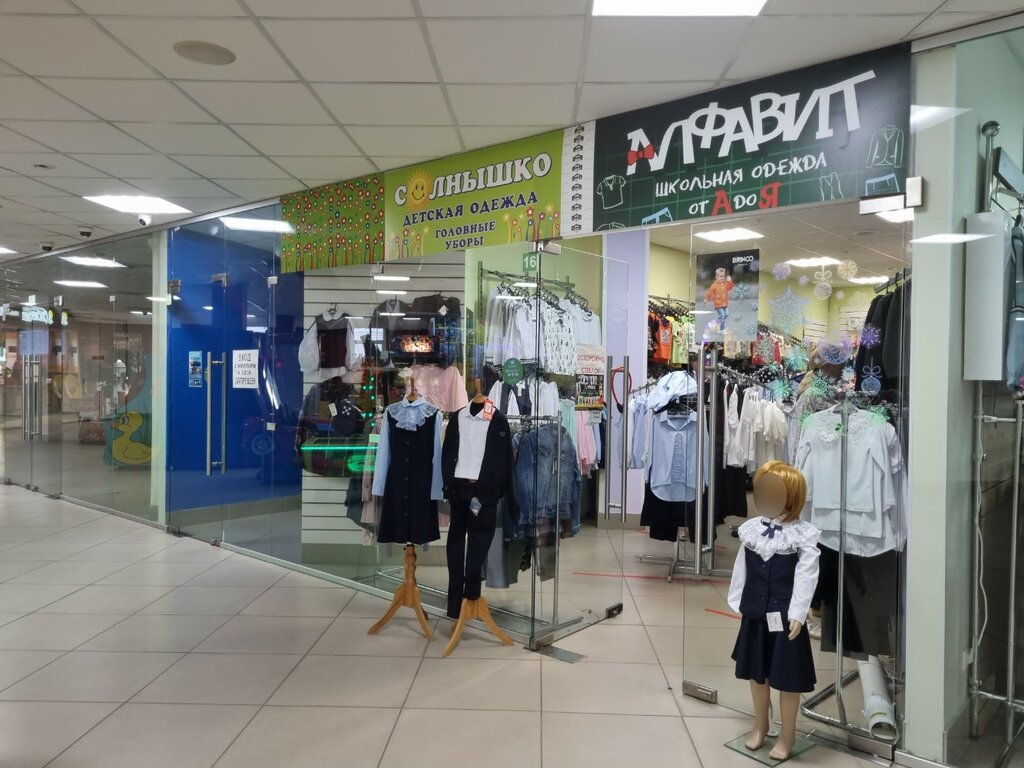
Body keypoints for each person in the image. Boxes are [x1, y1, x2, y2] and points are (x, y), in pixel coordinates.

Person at [728, 461, 821, 760]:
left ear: (790, 496)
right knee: (757, 675)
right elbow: (741, 569)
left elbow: (807, 577)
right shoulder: (751, 530)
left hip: (785, 617)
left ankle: (788, 734)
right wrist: (738, 601)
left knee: (787, 678)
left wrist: (798, 613)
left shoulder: (802, 536)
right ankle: (760, 724)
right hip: (755, 614)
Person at [704, 267, 734, 331]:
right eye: (720, 277)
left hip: (725, 304)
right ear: (716, 277)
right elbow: (710, 291)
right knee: (723, 315)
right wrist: (706, 298)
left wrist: (730, 281)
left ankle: (715, 323)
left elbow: (730, 287)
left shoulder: (725, 283)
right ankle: (721, 328)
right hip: (718, 304)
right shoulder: (714, 285)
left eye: (723, 276)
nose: (722, 278)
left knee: (727, 314)